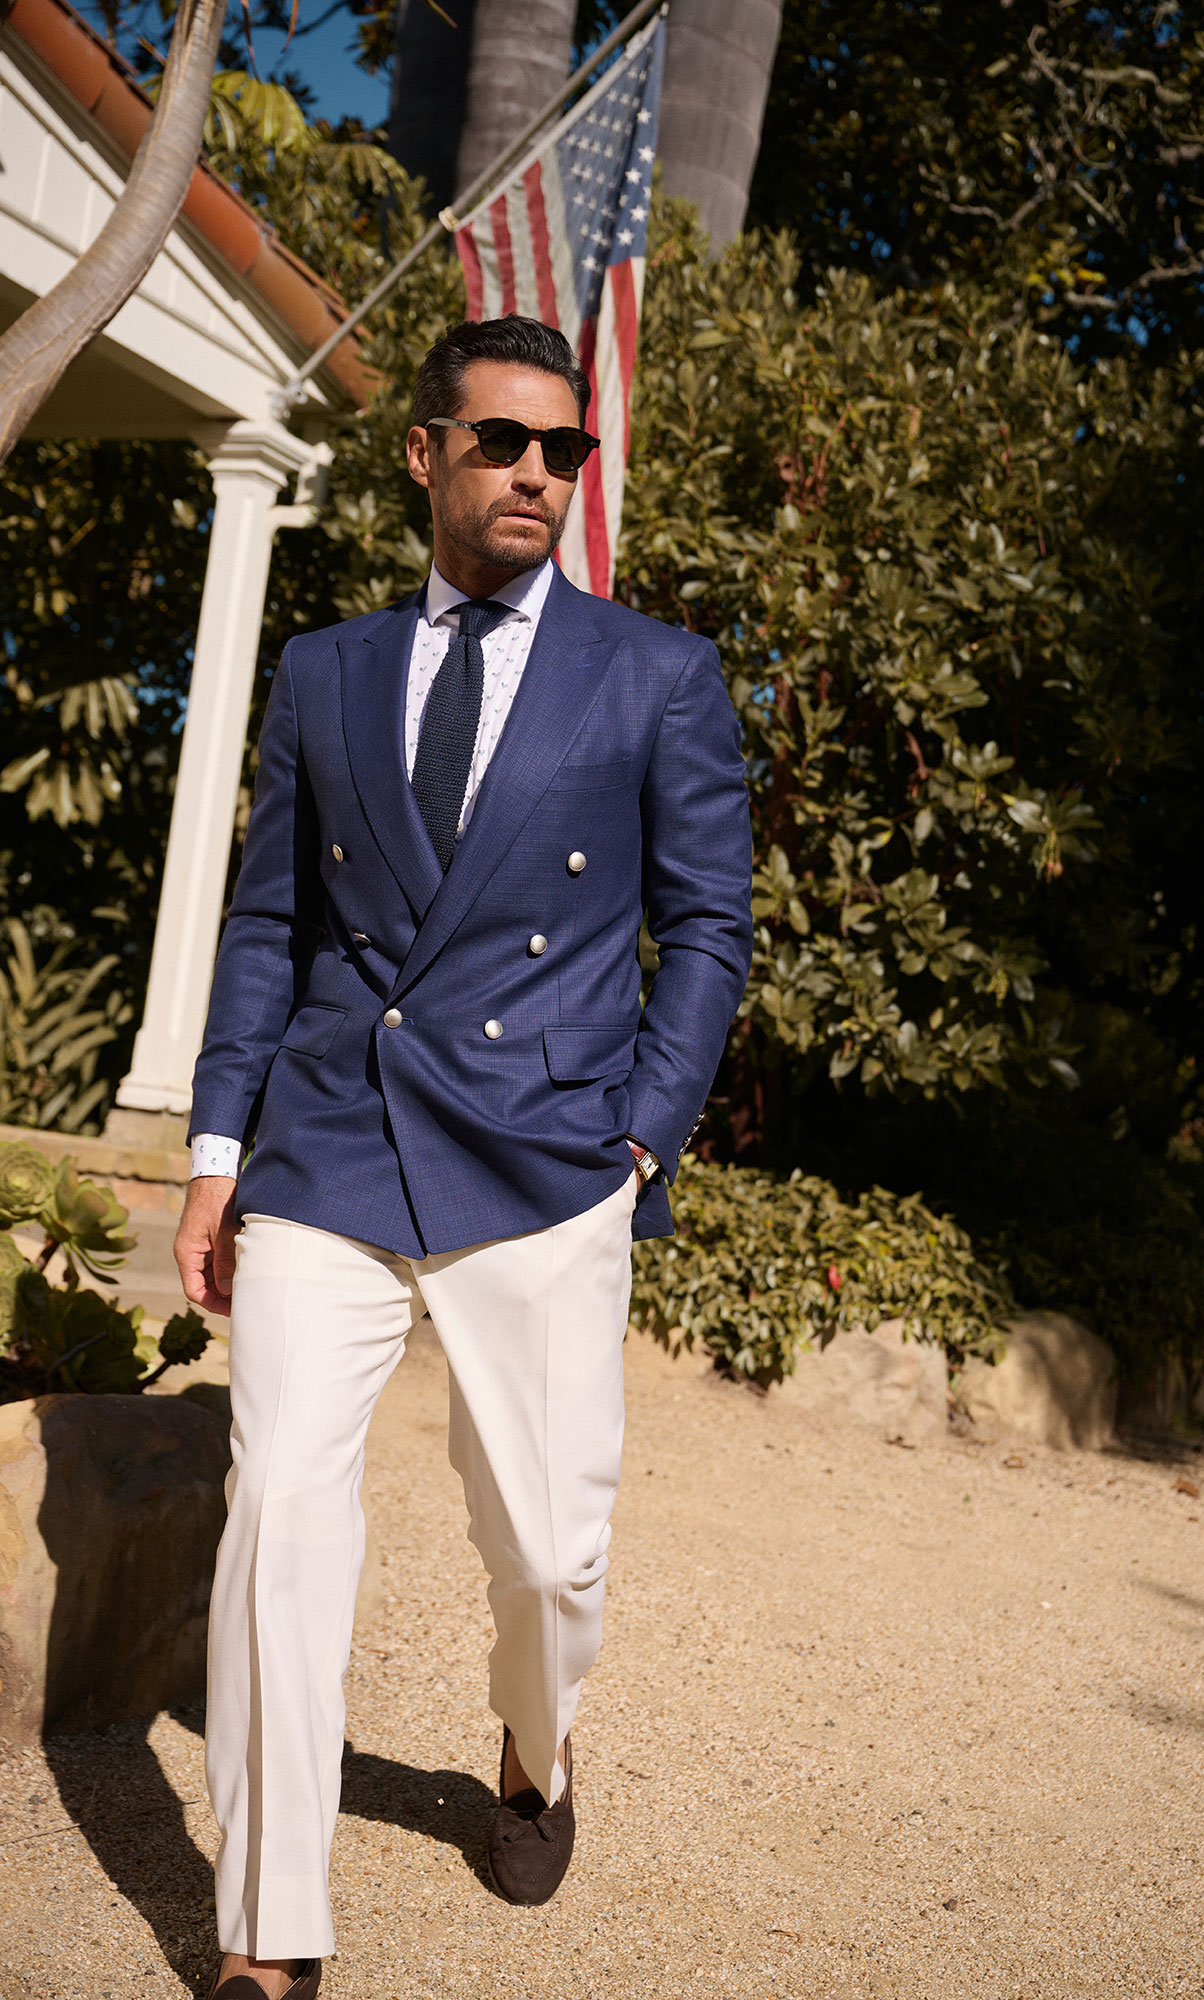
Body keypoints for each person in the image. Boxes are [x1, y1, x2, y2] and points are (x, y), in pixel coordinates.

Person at [174, 313, 753, 2000]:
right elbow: (269, 923)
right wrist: (217, 1145)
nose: (535, 474)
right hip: (333, 1141)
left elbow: (707, 930)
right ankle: (271, 1932)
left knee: (550, 1551)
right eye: (500, 441)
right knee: (280, 1505)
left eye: (561, 448)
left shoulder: (655, 674)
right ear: (424, 453)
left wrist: (640, 1140)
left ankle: (532, 1739)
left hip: (548, 1156)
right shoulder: (325, 671)